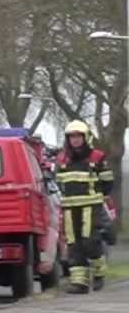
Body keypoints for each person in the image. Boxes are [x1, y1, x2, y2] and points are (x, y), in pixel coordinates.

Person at [56, 120, 114, 293]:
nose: (75, 140)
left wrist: (100, 198)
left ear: (85, 137)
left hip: (91, 206)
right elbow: (58, 183)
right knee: (74, 244)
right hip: (69, 208)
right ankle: (79, 282)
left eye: (78, 136)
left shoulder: (97, 157)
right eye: (71, 137)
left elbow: (107, 182)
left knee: (90, 241)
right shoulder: (62, 159)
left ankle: (98, 274)